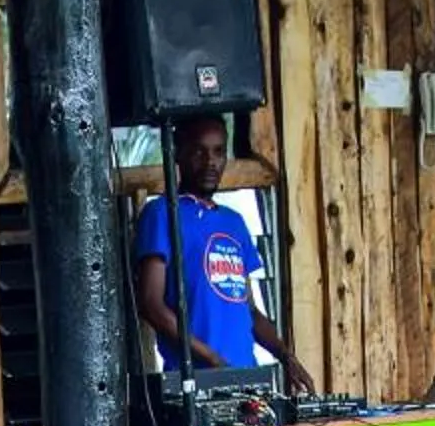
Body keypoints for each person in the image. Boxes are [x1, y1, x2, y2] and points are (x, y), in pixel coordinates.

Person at [134, 114, 314, 390]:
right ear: (178, 153)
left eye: (219, 151)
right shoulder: (161, 213)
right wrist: (212, 360)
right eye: (199, 151)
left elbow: (249, 309)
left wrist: (286, 356)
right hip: (195, 382)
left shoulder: (234, 222)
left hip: (246, 376)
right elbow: (150, 303)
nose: (211, 162)